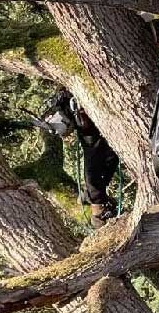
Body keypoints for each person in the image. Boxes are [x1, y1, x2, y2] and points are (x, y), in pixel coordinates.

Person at [38, 90, 119, 227]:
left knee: (110, 154)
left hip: (86, 112)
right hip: (83, 114)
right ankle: (96, 204)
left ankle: (92, 195)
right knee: (94, 155)